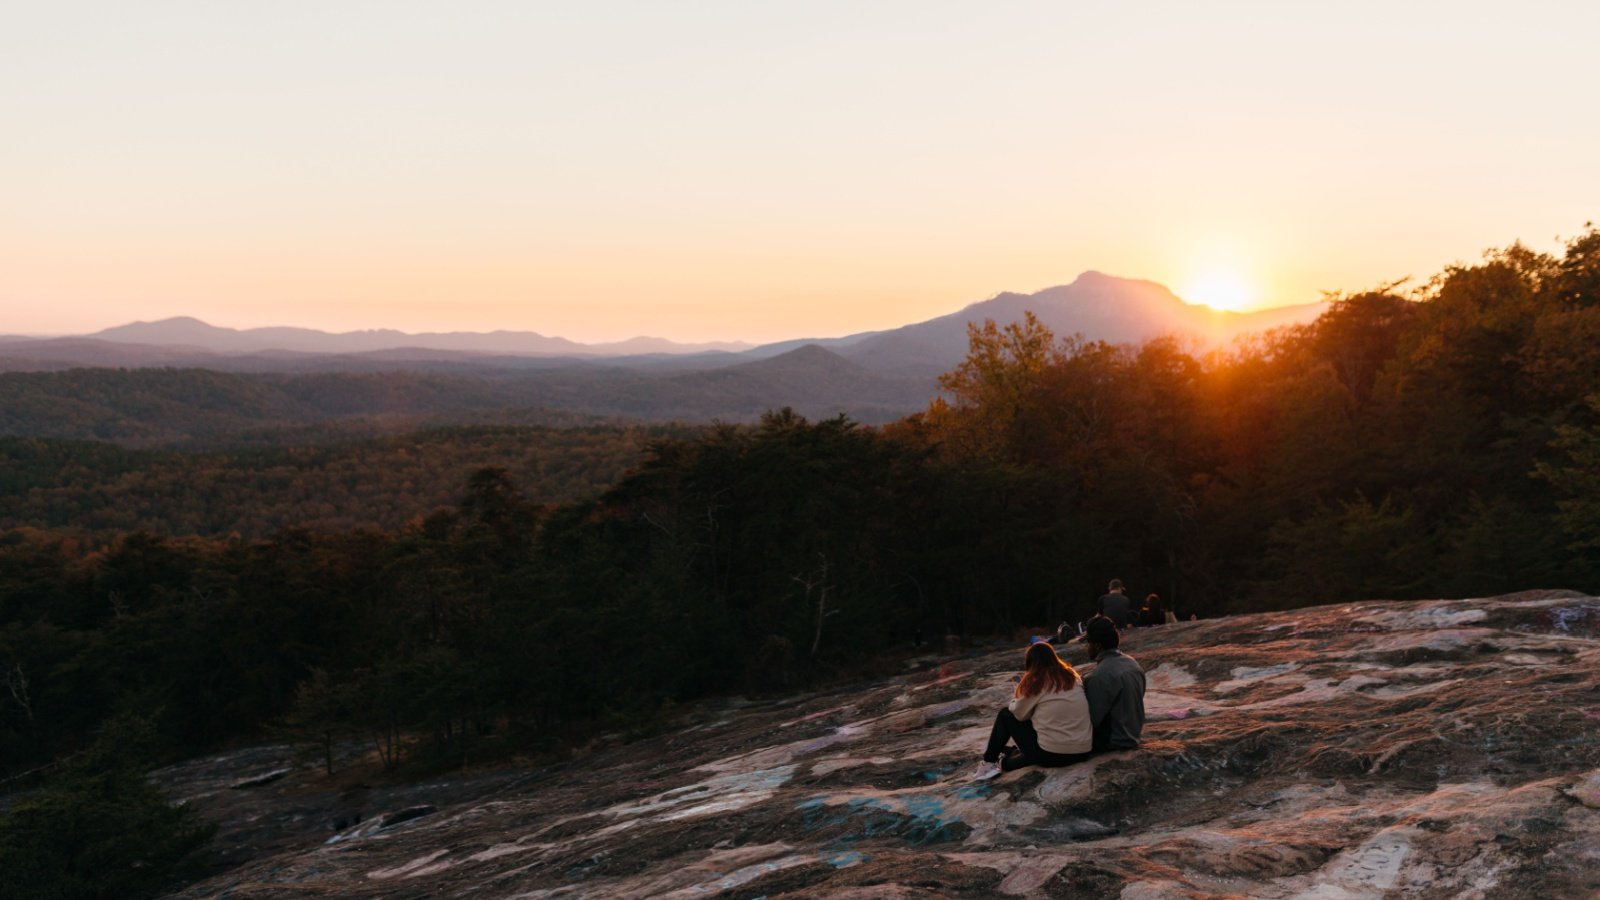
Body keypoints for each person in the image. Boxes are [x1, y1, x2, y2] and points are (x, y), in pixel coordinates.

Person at [973, 642, 1093, 780]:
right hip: (1083, 750)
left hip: (1053, 754)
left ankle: (989, 763)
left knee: (1005, 715)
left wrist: (1015, 699)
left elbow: (1019, 714)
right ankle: (1007, 753)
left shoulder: (1038, 681)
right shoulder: (1071, 676)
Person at [1082, 615, 1146, 752]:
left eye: (1088, 643)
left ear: (1097, 645)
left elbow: (1091, 721)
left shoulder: (1099, 676)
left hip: (1113, 742)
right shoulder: (1133, 664)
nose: (1086, 647)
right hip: (1133, 735)